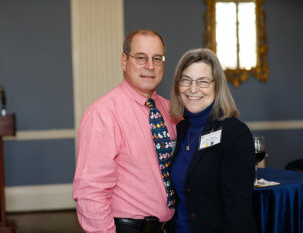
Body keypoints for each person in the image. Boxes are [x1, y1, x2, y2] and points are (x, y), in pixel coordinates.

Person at [73, 29, 178, 233]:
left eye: (157, 59)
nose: (150, 66)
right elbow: (91, 191)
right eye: (141, 58)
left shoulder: (171, 111)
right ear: (124, 61)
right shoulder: (103, 114)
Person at [169, 48, 257, 233]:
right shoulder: (182, 128)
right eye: (186, 80)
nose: (193, 89)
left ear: (217, 86)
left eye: (203, 81)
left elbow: (238, 212)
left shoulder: (234, 133)